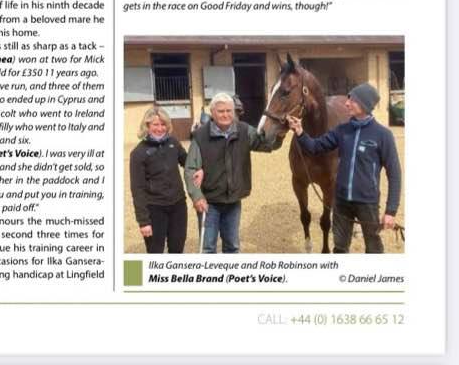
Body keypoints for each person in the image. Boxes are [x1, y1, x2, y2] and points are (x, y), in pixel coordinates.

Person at [287, 83, 402, 254]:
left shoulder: (383, 135)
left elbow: (395, 175)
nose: (346, 104)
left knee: (373, 248)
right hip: (340, 202)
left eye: (352, 100)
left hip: (367, 202)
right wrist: (300, 132)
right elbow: (315, 146)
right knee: (340, 248)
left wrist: (390, 211)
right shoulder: (342, 130)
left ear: (365, 105)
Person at [184, 92, 281, 254]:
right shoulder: (200, 136)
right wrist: (197, 196)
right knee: (207, 248)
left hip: (233, 201)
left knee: (232, 247)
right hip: (209, 203)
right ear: (212, 113)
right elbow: (190, 170)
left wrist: (279, 135)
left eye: (229, 111)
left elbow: (266, 144)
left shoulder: (244, 131)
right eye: (221, 111)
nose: (225, 115)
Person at [129, 107, 188, 254]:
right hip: (154, 208)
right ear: (147, 126)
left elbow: (187, 162)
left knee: (177, 249)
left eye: (163, 124)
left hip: (178, 206)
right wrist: (144, 222)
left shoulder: (173, 143)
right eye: (155, 124)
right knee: (155, 252)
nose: (160, 128)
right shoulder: (139, 153)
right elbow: (137, 189)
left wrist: (199, 168)